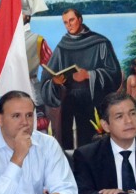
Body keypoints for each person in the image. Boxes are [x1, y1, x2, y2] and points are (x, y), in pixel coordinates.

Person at [40, 8, 122, 150]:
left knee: (92, 145)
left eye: (71, 20)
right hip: (69, 103)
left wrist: (89, 75)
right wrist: (55, 82)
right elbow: (47, 78)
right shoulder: (62, 46)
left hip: (94, 103)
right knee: (69, 145)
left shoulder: (100, 43)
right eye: (65, 22)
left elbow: (114, 74)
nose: (69, 25)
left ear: (80, 19)